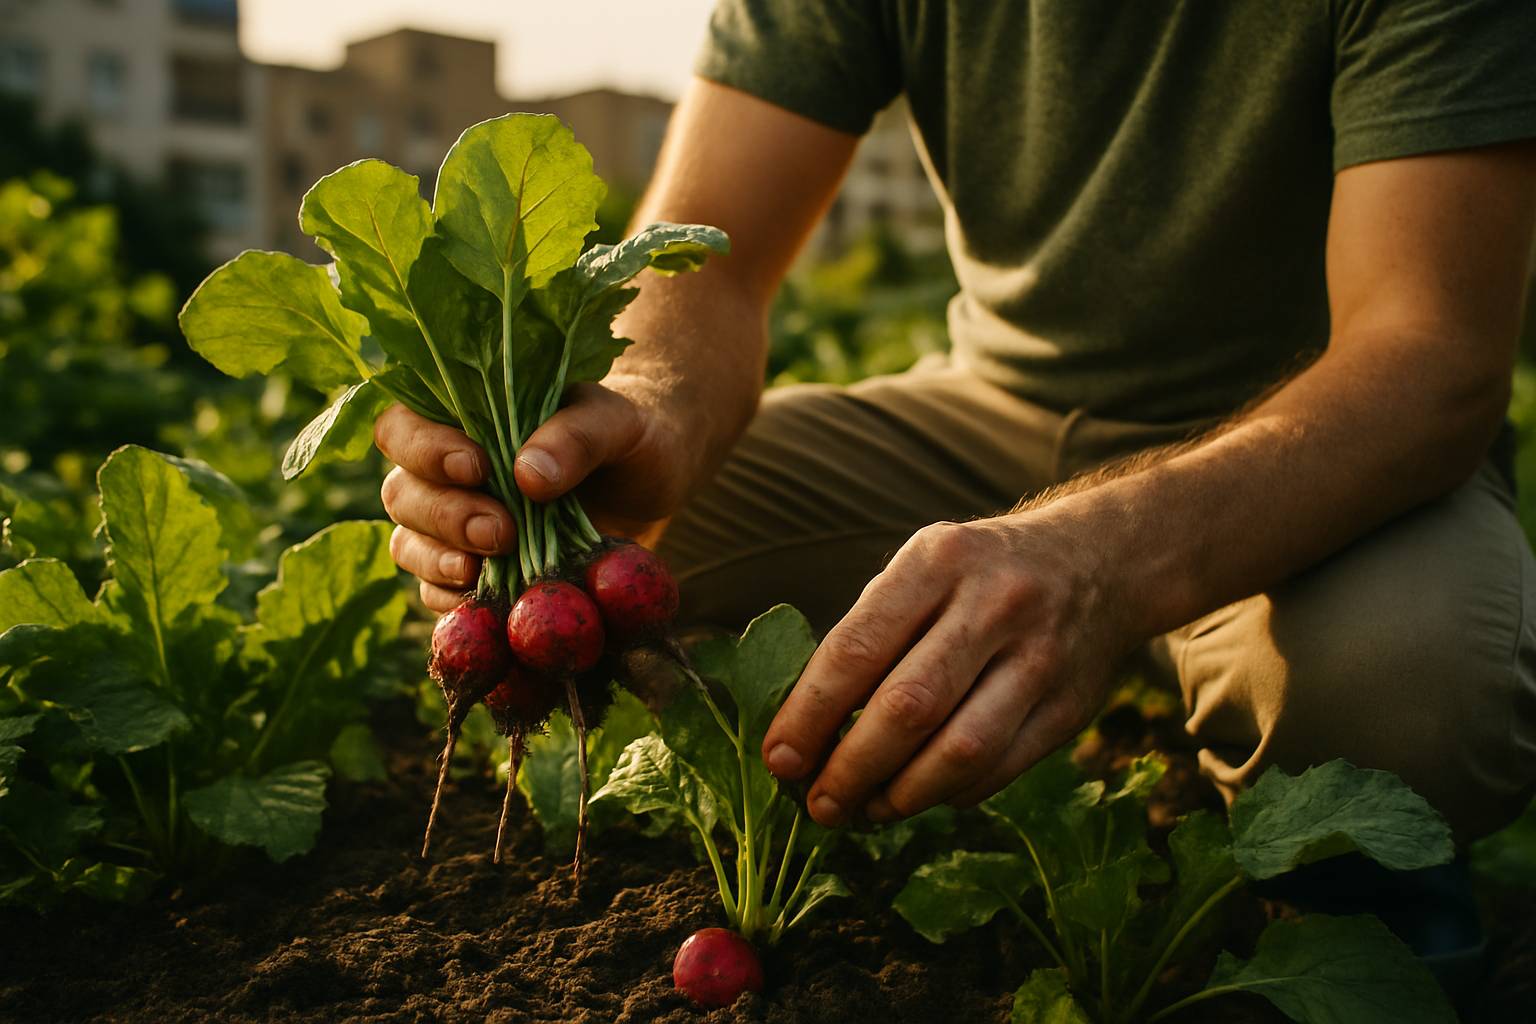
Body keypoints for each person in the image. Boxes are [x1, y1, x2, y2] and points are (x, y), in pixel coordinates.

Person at [377, 0, 1536, 894]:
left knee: (1412, 688)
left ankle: (1346, 896)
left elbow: (1427, 358)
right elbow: (710, 267)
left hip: (1304, 464)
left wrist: (1104, 565)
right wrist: (643, 409)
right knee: (633, 577)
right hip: (988, 420)